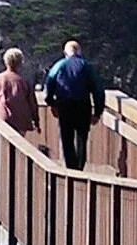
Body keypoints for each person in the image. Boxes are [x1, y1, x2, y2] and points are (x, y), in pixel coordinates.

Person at [44, 39, 106, 170]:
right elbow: (98, 89)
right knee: (82, 138)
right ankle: (80, 167)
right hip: (83, 105)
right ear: (79, 52)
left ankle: (71, 168)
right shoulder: (87, 66)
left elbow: (49, 83)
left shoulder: (59, 65)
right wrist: (98, 112)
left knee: (67, 137)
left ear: (65, 53)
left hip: (65, 105)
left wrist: (51, 103)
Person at [0, 47, 41, 136]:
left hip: (3, 118)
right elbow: (32, 103)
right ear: (21, 62)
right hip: (21, 120)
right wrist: (36, 121)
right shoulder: (24, 81)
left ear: (5, 61)